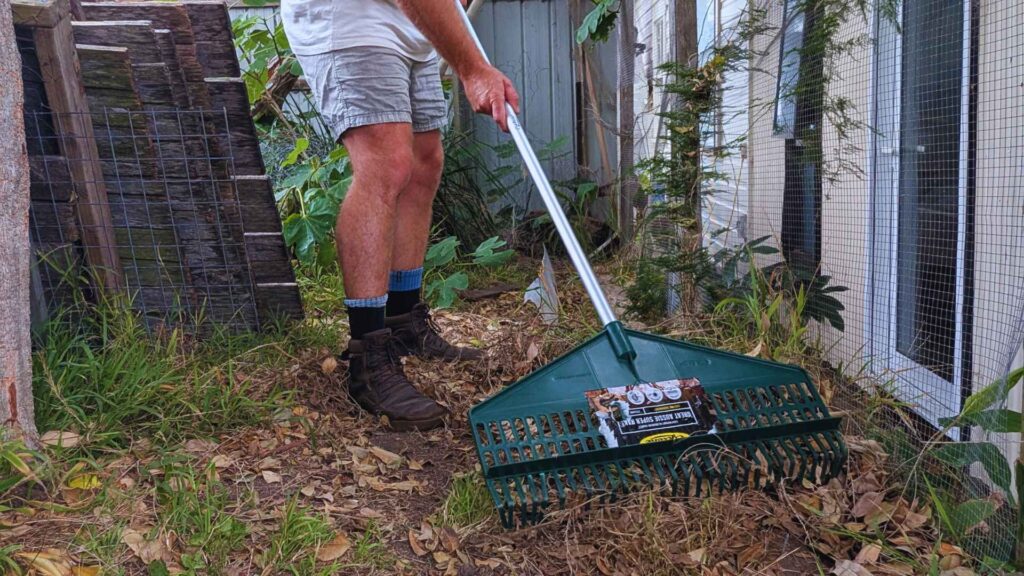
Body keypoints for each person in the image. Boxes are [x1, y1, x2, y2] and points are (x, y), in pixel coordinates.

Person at [281, 0, 520, 431]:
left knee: (424, 162)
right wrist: (473, 68)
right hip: (350, 21)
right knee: (385, 165)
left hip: (411, 28)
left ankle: (403, 320)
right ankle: (367, 354)